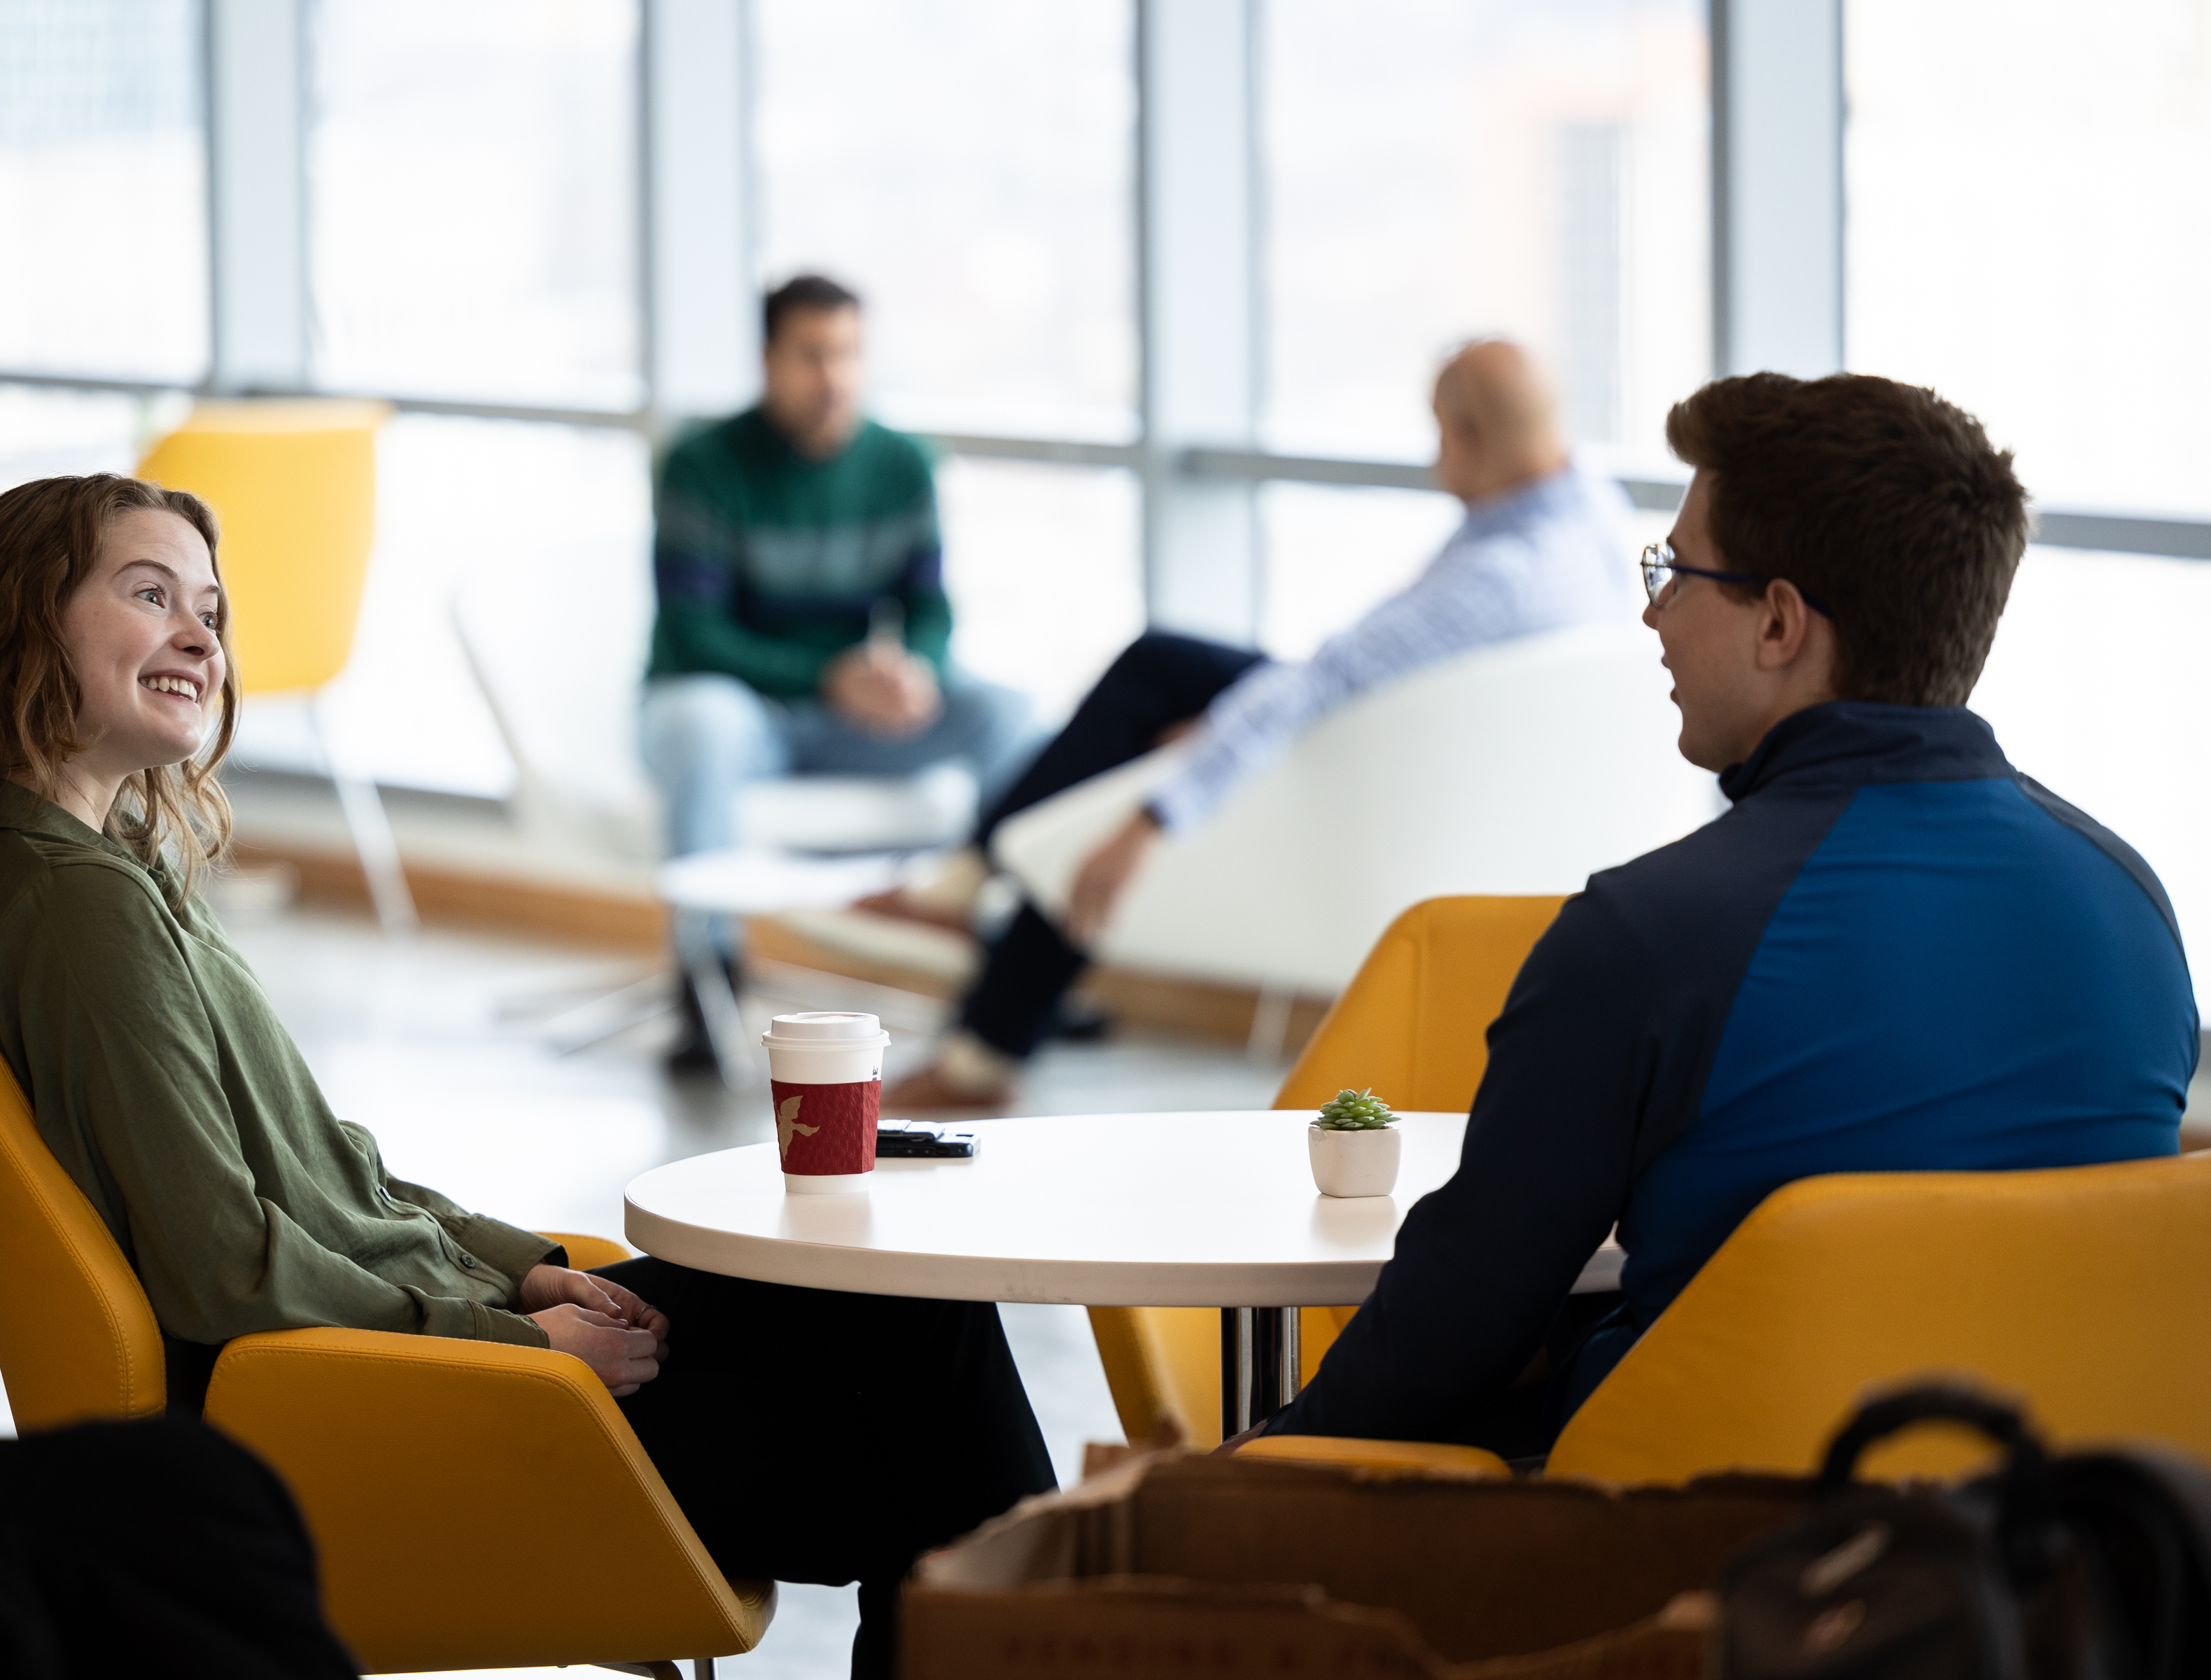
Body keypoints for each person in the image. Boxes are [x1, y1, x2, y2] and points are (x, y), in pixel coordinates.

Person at [0, 475, 1055, 1680]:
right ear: (19, 624)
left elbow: (329, 1173)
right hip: (345, 1404)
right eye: (149, 595)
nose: (198, 635)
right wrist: (515, 1336)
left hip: (393, 1348)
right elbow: (220, 1270)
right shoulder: (73, 906)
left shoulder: (84, 871)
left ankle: (1053, 1622)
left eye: (209, 607)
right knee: (935, 1463)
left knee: (903, 1321)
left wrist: (525, 1267)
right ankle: (1075, 1625)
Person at [1252, 372, 2196, 1459]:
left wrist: (1243, 1467)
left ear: (1781, 623)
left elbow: (1449, 1334)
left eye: (1677, 573)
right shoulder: (2133, 907)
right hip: (2072, 1558)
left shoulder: (1648, 937)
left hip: (1701, 1558)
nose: (1653, 612)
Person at [883, 340, 1637, 1109]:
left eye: (1438, 432)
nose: (1433, 455)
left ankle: (972, 896)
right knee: (1172, 685)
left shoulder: (1494, 582)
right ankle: (978, 937)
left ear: (1467, 437)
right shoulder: (1598, 525)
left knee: (1156, 672)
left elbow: (1324, 682)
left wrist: (1155, 812)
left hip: (1366, 790)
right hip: (1461, 784)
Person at [642, 274, 1037, 1070]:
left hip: (848, 717)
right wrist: (831, 674)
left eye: (850, 354)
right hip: (745, 713)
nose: (835, 378)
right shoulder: (701, 465)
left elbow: (931, 609)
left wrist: (914, 672)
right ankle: (706, 980)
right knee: (704, 722)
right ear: (767, 360)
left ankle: (1016, 968)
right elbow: (696, 638)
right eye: (812, 356)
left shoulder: (902, 465)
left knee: (1008, 714)